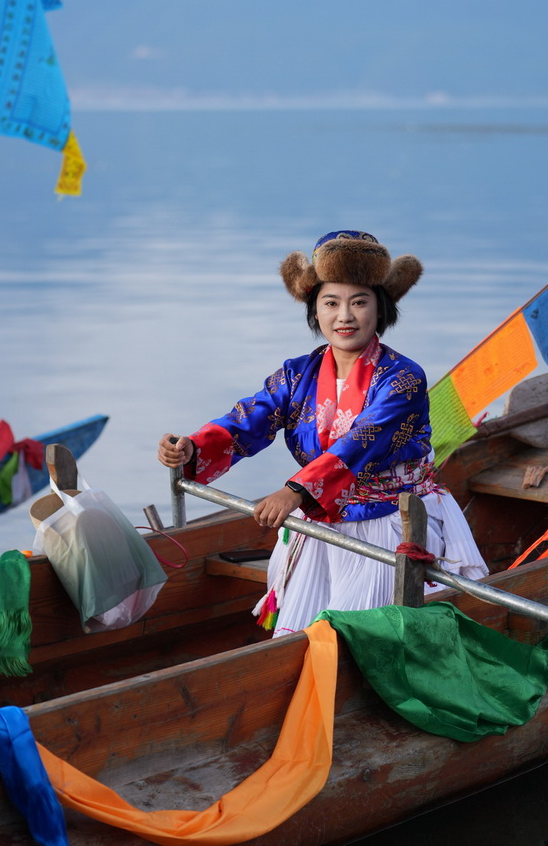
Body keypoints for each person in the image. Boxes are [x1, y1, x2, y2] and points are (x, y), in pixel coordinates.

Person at [158, 230, 487, 636]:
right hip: (318, 516)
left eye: (359, 302)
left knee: (358, 636)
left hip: (389, 520)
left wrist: (295, 492)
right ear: (315, 311)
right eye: (331, 303)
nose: (344, 316)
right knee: (297, 635)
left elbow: (360, 443)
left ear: (380, 310)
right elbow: (250, 417)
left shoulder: (403, 378)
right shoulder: (297, 373)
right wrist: (193, 448)